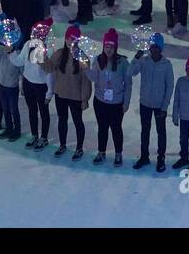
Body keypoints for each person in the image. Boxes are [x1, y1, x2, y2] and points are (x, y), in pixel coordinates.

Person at [44, 25, 92, 159]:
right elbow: (49, 68)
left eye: (74, 39)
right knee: (62, 120)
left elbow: (85, 81)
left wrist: (84, 99)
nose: (71, 42)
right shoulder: (59, 54)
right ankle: (63, 145)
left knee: (78, 121)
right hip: (61, 94)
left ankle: (79, 148)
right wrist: (41, 58)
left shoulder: (83, 58)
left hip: (76, 97)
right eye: (68, 39)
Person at [87, 29, 132, 165]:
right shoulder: (98, 60)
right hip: (100, 101)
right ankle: (101, 151)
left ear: (116, 47)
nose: (108, 50)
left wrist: (126, 103)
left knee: (116, 128)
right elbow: (94, 77)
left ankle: (118, 153)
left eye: (111, 47)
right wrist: (85, 69)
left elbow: (128, 84)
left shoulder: (123, 63)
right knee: (102, 127)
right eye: (106, 46)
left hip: (117, 103)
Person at [131, 32, 174, 172]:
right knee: (145, 131)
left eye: (157, 47)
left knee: (161, 132)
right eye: (152, 46)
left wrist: (165, 106)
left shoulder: (167, 65)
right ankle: (144, 156)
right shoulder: (144, 61)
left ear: (161, 48)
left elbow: (169, 86)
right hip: (145, 103)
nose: (154, 49)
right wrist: (135, 59)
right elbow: (131, 72)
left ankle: (161, 157)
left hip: (159, 105)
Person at [15, 28, 54, 149]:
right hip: (28, 83)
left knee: (43, 112)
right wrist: (11, 52)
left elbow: (50, 73)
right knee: (32, 110)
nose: (37, 37)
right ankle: (34, 135)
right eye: (35, 34)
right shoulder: (28, 44)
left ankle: (44, 137)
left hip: (41, 86)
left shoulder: (49, 50)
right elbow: (21, 62)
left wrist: (49, 93)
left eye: (41, 35)